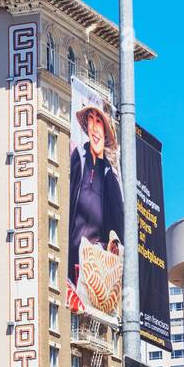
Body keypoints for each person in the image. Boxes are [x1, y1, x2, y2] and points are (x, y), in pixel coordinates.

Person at [68, 103, 124, 309]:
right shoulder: (78, 160)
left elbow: (118, 225)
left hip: (95, 270)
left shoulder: (110, 175)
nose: (94, 126)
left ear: (105, 132)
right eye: (91, 119)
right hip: (71, 266)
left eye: (99, 120)